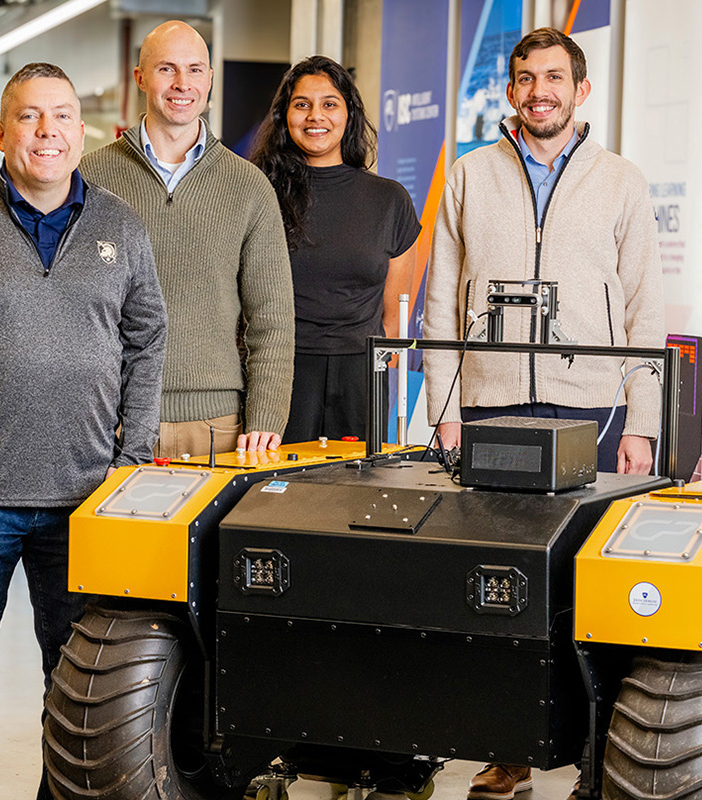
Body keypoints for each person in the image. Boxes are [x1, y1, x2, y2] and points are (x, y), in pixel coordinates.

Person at [0, 63, 167, 800]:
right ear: (2, 131)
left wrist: (131, 461)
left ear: (84, 129)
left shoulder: (120, 225)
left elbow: (147, 340)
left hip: (86, 498)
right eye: (30, 116)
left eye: (62, 116)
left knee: (76, 673)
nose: (48, 131)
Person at [421, 27, 665, 800]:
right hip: (490, 404)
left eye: (554, 78)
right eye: (526, 78)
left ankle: (597, 755)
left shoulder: (621, 182)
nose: (540, 92)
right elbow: (441, 300)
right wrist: (445, 408)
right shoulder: (469, 175)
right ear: (510, 91)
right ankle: (507, 753)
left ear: (580, 90)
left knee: (590, 588)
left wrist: (643, 420)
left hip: (588, 406)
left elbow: (645, 309)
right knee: (496, 589)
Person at [80, 20, 295, 458]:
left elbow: (272, 318)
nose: (183, 83)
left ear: (210, 79)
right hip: (110, 420)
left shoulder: (248, 186)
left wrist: (266, 417)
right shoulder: (88, 179)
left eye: (195, 70)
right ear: (140, 77)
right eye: (167, 69)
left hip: (218, 425)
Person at [251, 55, 420, 442]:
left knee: (359, 481)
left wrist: (373, 364)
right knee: (281, 481)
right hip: (278, 372)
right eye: (302, 104)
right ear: (285, 115)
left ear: (349, 114)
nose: (316, 116)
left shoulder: (389, 200)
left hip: (361, 377)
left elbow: (395, 315)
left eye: (329, 104)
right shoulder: (258, 194)